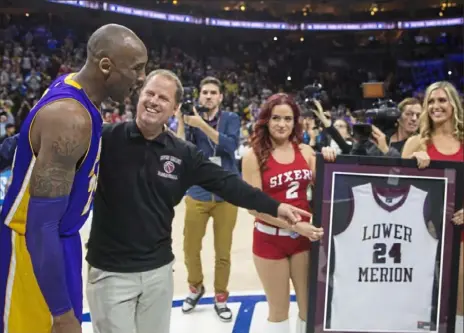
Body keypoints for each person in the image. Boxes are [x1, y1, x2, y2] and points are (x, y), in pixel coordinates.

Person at [84, 69, 311, 333]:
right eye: (149, 93)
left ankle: (218, 293)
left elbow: (230, 185)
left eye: (163, 98)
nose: (154, 101)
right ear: (138, 96)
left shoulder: (182, 153)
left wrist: (277, 206)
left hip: (158, 271)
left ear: (175, 108)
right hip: (111, 272)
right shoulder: (105, 138)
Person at [0, 23, 148, 333]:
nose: (142, 77)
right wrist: (62, 314)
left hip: (57, 242)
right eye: (137, 68)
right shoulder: (70, 118)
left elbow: (21, 142)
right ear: (105, 65)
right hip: (32, 249)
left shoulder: (72, 87)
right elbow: (40, 227)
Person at [242, 93, 336, 333]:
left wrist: (329, 159)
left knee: (309, 308)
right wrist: (295, 226)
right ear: (266, 120)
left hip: (304, 239)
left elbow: (326, 189)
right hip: (269, 238)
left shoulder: (306, 151)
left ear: (296, 122)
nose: (281, 124)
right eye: (275, 118)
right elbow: (254, 206)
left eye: (288, 118)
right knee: (278, 311)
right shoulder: (252, 156)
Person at [176, 77, 241, 320]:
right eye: (205, 92)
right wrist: (183, 122)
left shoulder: (231, 119)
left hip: (226, 193)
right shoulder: (191, 120)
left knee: (222, 251)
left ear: (221, 97)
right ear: (199, 95)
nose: (209, 96)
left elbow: (229, 146)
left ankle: (221, 296)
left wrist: (201, 124)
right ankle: (196, 287)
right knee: (190, 247)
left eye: (214, 92)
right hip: (198, 192)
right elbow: (180, 148)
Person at [402, 81, 464, 333]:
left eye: (442, 100)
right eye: (431, 101)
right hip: (425, 233)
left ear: (454, 105)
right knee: (427, 299)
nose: (436, 106)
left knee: (460, 300)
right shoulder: (416, 142)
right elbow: (393, 185)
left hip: (461, 233)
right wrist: (411, 165)